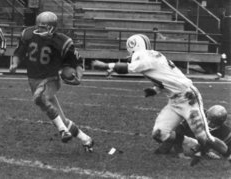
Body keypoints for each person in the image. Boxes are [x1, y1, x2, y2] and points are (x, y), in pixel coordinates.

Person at [92, 34, 230, 165]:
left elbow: (130, 68)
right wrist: (155, 90)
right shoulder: (153, 55)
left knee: (204, 137)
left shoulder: (142, 55)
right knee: (159, 133)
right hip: (175, 100)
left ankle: (228, 154)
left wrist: (105, 65)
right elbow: (164, 77)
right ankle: (191, 143)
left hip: (188, 97)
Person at [9, 11, 94, 152]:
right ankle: (86, 139)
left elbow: (77, 60)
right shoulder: (29, 34)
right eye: (39, 26)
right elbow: (19, 52)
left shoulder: (61, 41)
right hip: (33, 80)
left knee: (39, 98)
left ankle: (63, 132)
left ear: (52, 27)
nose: (39, 29)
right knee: (60, 118)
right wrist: (14, 64)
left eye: (43, 27)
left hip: (51, 79)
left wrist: (78, 76)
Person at [156, 105, 231, 160]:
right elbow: (178, 131)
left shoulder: (225, 131)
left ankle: (204, 151)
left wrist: (211, 151)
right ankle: (164, 148)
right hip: (185, 138)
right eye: (208, 118)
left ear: (220, 123)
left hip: (195, 144)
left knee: (211, 141)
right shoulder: (195, 115)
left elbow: (226, 148)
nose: (209, 122)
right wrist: (180, 153)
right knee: (166, 135)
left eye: (213, 122)